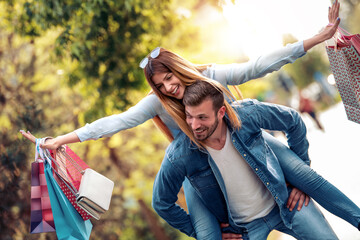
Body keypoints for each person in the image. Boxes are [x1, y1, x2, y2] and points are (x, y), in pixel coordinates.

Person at [20, 2, 349, 238]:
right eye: (160, 85)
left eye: (169, 78)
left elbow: (257, 66)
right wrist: (61, 140)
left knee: (309, 179)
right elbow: (116, 122)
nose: (169, 88)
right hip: (202, 171)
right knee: (208, 234)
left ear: (178, 67)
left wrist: (316, 40)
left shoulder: (211, 75)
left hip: (248, 144)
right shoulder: (157, 104)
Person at [152, 80, 342, 239]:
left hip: (285, 204)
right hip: (244, 230)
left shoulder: (242, 114)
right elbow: (161, 202)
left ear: (220, 113)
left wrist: (301, 173)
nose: (194, 124)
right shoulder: (180, 152)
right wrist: (201, 230)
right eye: (189, 117)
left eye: (202, 117)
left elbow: (292, 120)